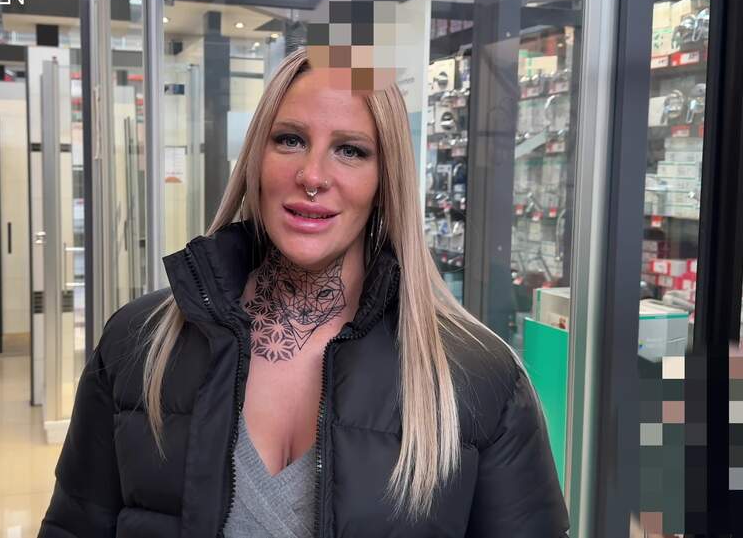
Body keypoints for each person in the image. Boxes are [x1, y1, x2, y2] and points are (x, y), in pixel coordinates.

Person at [38, 47, 569, 537]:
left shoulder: (478, 379)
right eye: (290, 140)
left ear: (385, 180)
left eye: (350, 150)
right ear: (256, 159)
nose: (312, 175)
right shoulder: (140, 344)